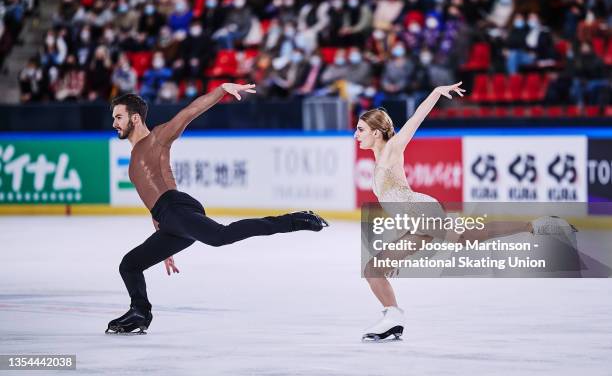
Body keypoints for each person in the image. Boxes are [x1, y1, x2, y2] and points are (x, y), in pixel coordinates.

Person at [354, 83, 574, 341]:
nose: (356, 135)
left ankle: (534, 226)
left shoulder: (392, 149)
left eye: (361, 130)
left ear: (378, 133)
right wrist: (400, 247)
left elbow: (416, 119)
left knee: (467, 237)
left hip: (422, 213)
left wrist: (435, 92)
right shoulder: (380, 158)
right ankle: (393, 318)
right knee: (374, 269)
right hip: (414, 221)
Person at [106, 83, 329, 334]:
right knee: (130, 264)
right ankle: (140, 312)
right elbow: (152, 205)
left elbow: (189, 112)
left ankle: (296, 220)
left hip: (177, 208)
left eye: (118, 117)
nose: (114, 123)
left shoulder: (157, 138)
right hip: (168, 220)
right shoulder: (133, 160)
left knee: (220, 236)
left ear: (134, 118)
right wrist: (164, 247)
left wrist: (221, 90)